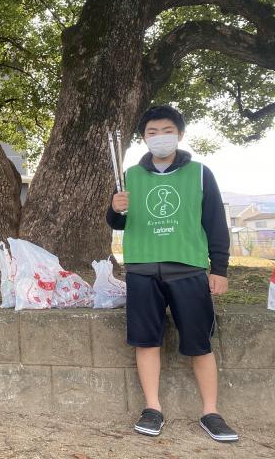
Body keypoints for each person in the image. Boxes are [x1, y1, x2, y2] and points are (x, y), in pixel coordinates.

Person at [107, 105, 237, 442]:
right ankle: (152, 408)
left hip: (188, 268)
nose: (160, 137)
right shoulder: (129, 176)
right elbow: (118, 222)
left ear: (179, 134)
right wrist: (115, 209)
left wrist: (219, 269)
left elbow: (215, 223)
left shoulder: (200, 173)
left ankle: (211, 412)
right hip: (142, 269)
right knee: (146, 340)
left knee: (199, 343)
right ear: (143, 138)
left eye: (167, 130)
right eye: (152, 132)